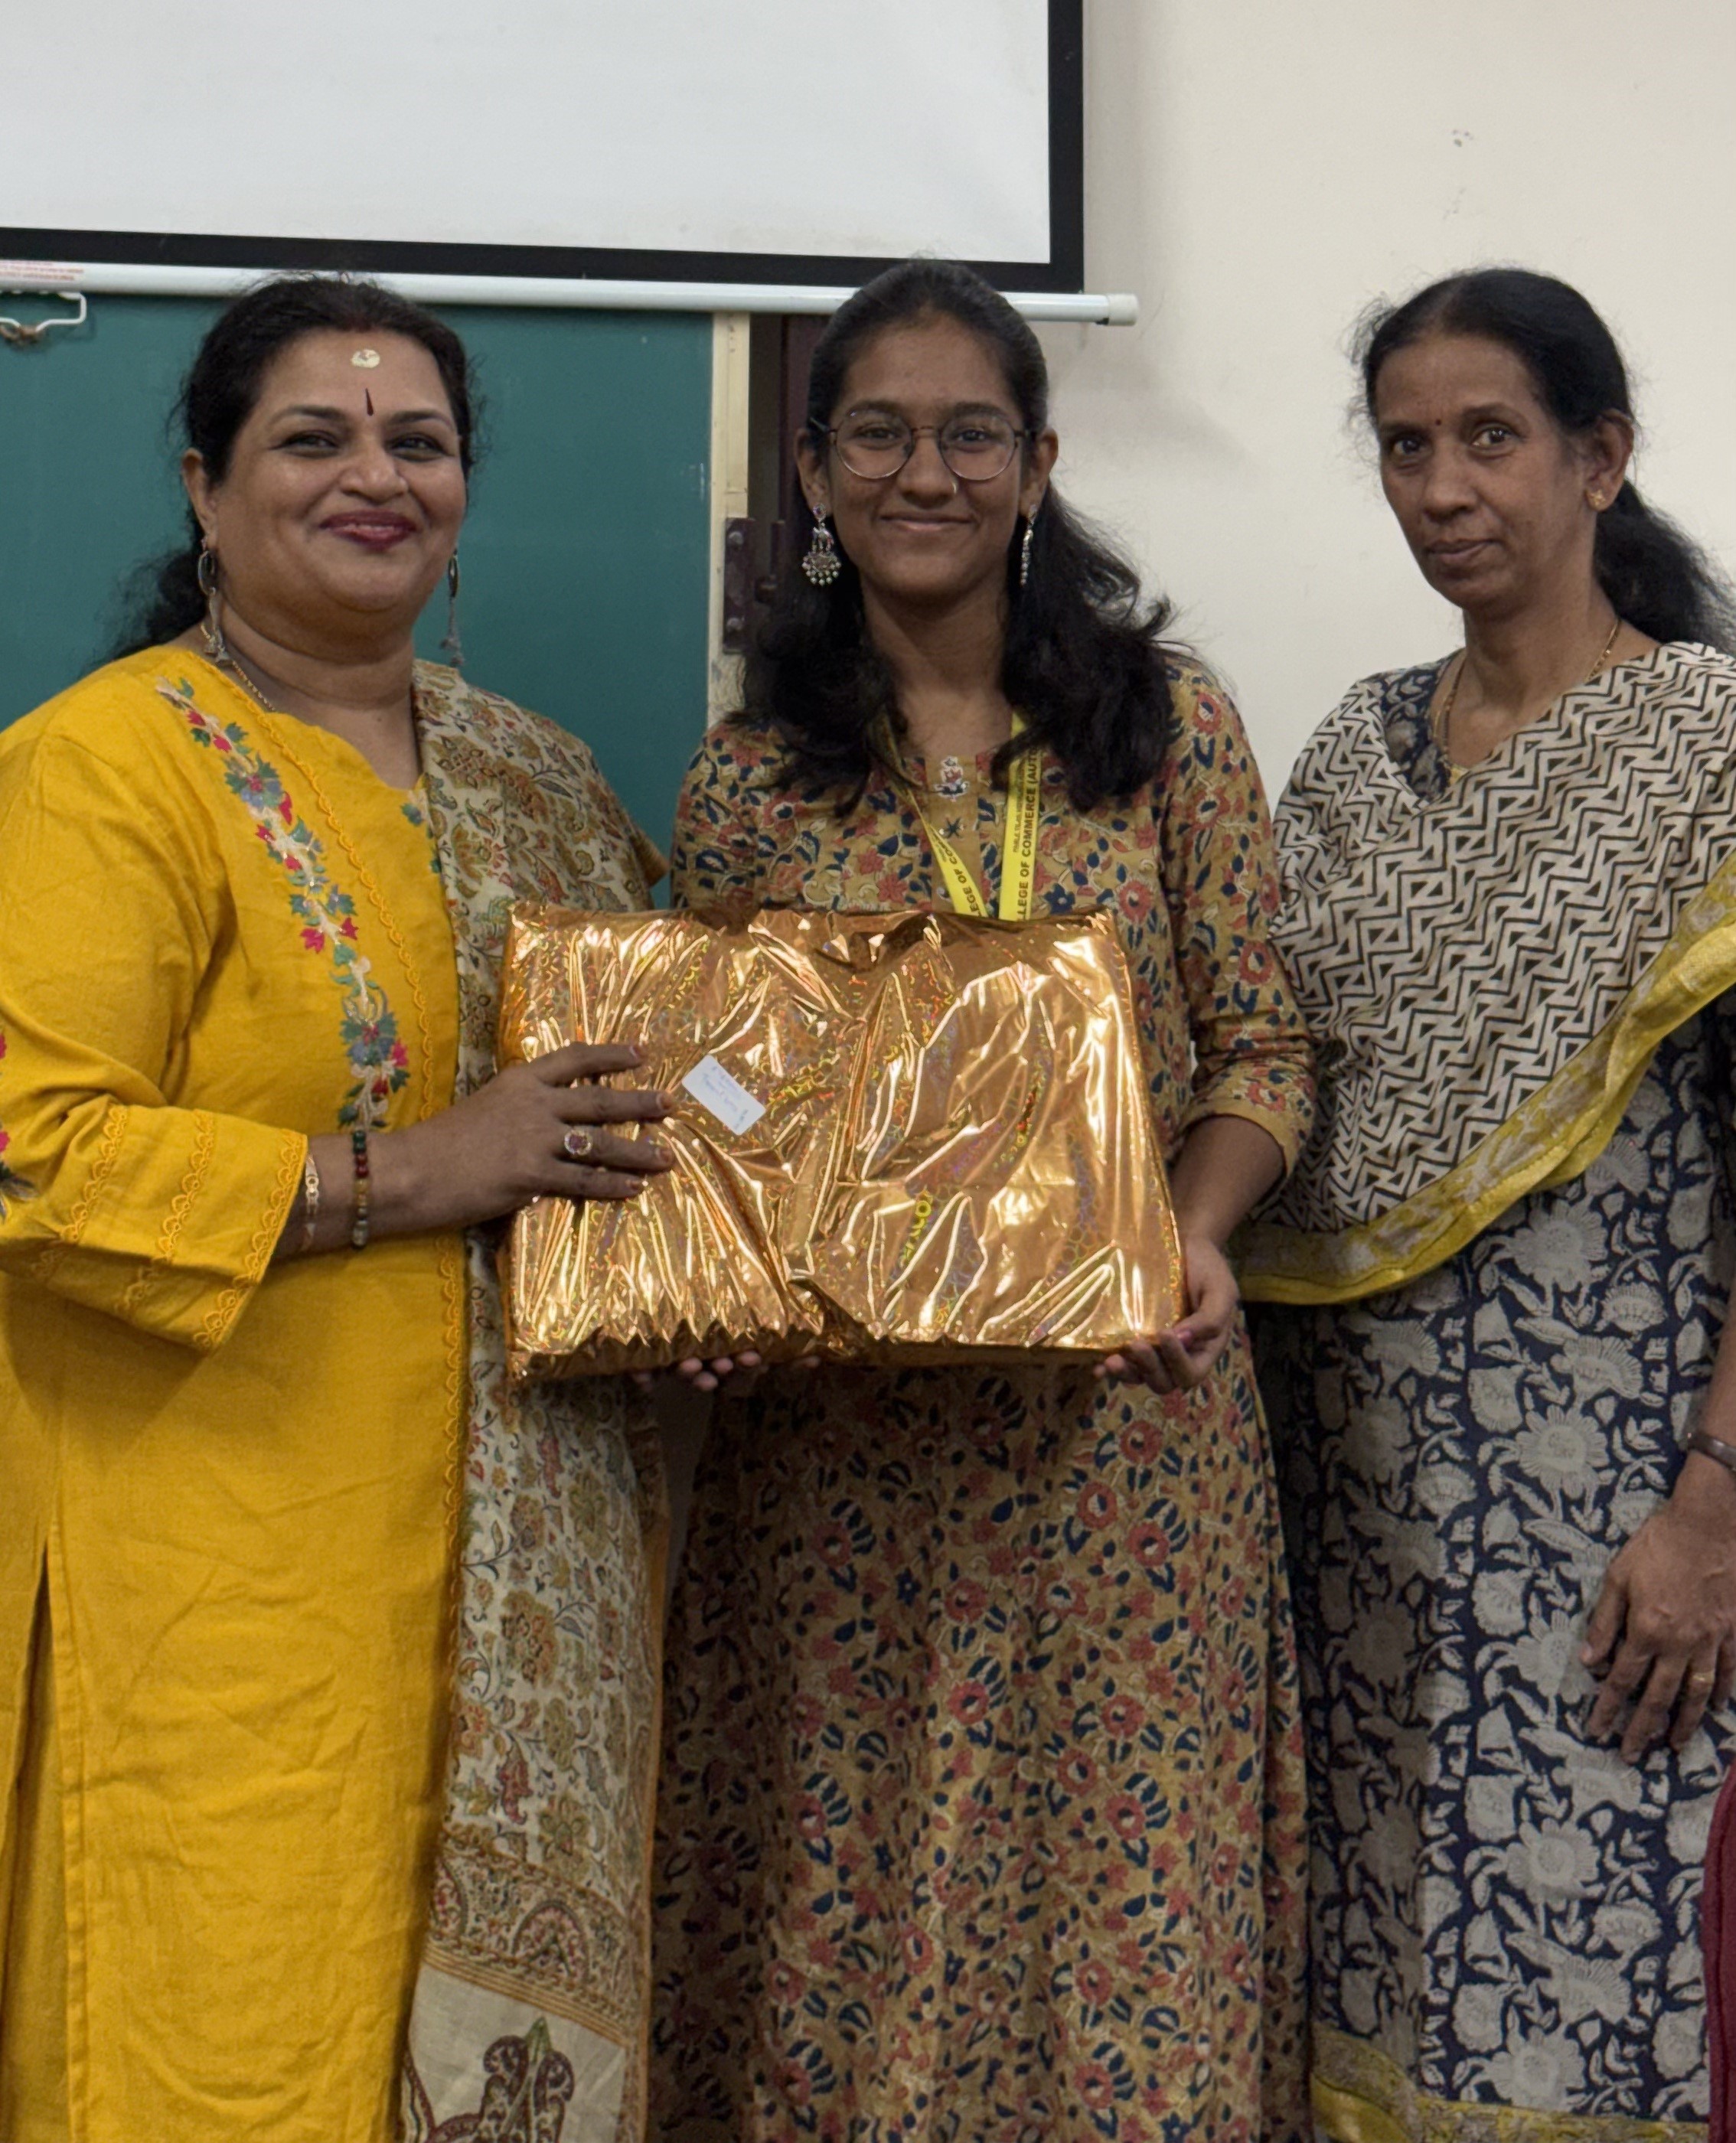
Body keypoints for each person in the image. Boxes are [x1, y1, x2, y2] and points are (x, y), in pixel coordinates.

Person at [0, 276, 679, 2141]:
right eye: (314, 437)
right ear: (204, 487)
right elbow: (31, 1150)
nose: (375, 475)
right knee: (227, 2052)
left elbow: (654, 1098)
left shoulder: (539, 776)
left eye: (418, 441)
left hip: (522, 1609)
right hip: (221, 1593)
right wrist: (416, 1168)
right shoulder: (108, 766)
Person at [650, 259, 1317, 2139]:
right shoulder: (752, 778)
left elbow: (1264, 1046)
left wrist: (1193, 1230)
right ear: (811, 470)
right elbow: (721, 1090)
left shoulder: (1167, 730)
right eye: (877, 433)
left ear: (1038, 463)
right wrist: (708, 1262)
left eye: (968, 434)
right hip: (846, 1456)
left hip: (1125, 1437)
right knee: (847, 1905)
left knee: (1119, 1908)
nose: (922, 472)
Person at [1242, 268, 1736, 2137]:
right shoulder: (1356, 752)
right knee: (1367, 1965)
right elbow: (1263, 1067)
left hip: (1612, 1511)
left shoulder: (1708, 743)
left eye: (1489, 438)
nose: (1443, 486)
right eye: (1404, 446)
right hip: (1345, 1497)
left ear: (1600, 459)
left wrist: (1716, 1507)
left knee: (1600, 1974)